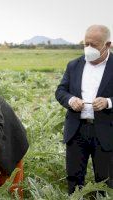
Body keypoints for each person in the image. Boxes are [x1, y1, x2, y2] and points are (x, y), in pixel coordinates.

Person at [55, 25, 113, 194]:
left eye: (94, 45)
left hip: (105, 132)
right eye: (86, 44)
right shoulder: (74, 65)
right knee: (74, 180)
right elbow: (60, 91)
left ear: (107, 45)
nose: (89, 48)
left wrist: (108, 102)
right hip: (76, 130)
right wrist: (71, 100)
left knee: (105, 182)